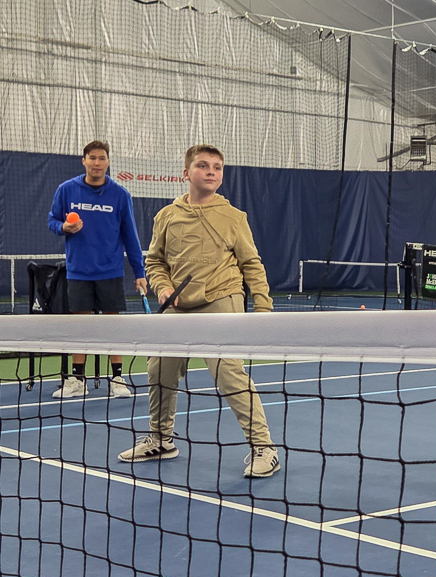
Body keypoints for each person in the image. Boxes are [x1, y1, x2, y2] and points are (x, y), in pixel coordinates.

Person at [117, 144, 280, 478]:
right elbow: (155, 260)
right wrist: (162, 286)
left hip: (223, 297)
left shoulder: (234, 218)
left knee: (227, 371)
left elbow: (252, 264)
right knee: (159, 367)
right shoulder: (167, 216)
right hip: (179, 304)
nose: (211, 171)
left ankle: (264, 447)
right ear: (186, 173)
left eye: (217, 167)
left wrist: (263, 308)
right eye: (203, 166)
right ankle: (161, 439)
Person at [48, 140, 147, 399]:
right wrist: (63, 228)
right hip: (78, 271)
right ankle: (77, 379)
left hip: (110, 271)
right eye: (92, 158)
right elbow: (52, 220)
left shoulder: (120, 195)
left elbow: (131, 236)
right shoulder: (66, 190)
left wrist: (140, 272)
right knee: (81, 325)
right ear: (84, 161)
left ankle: (117, 378)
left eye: (102, 158)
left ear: (108, 162)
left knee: (112, 326)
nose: (97, 163)